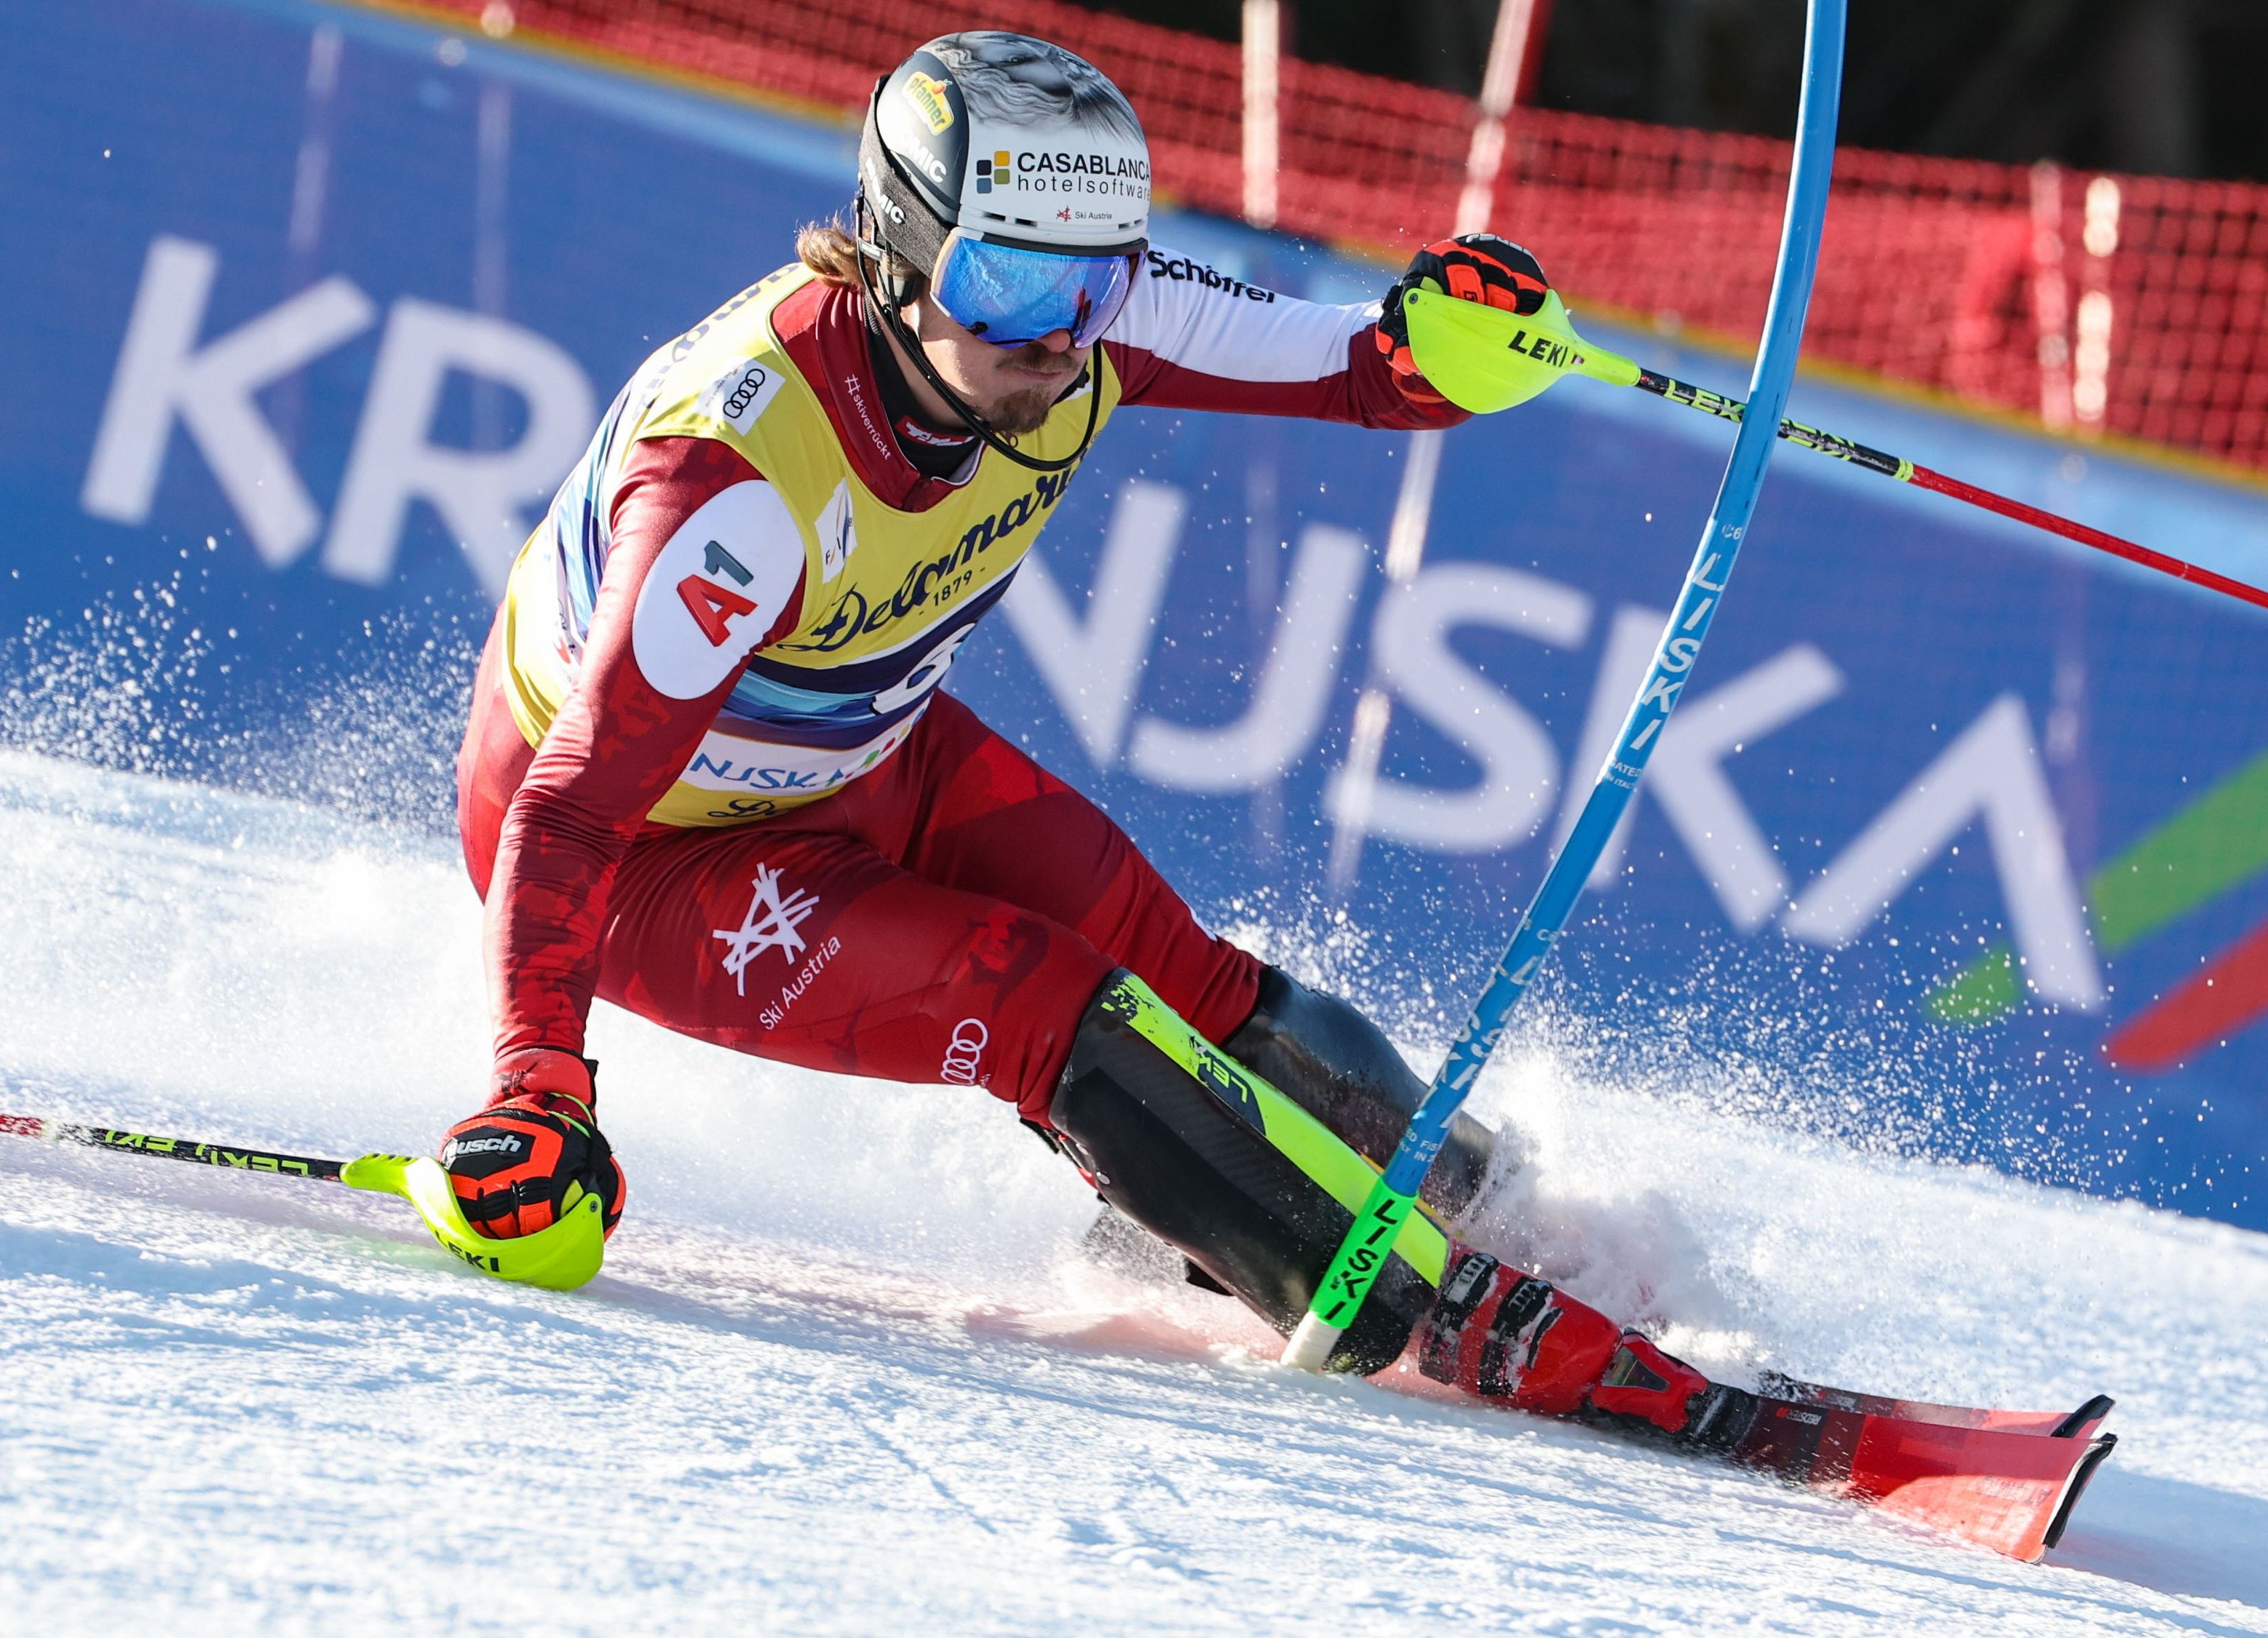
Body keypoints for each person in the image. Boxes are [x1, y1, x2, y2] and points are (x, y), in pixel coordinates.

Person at [440, 31, 1752, 1455]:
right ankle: (1423, 1320)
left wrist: (1454, 337)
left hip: (864, 755)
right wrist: (537, 1092)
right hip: (643, 853)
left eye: (1095, 282)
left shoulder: (1082, 325)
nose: (1057, 335)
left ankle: (1487, 1229)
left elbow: (1368, 372)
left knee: (1172, 971)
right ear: (895, 253)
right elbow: (568, 809)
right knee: (1040, 994)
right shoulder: (735, 477)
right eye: (1007, 284)